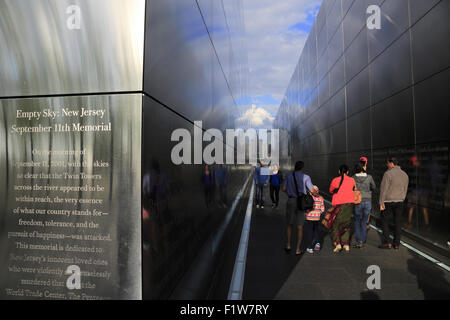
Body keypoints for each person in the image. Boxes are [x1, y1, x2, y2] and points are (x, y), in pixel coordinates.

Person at [281, 161, 315, 255]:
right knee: (300, 226)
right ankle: (297, 249)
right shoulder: (306, 177)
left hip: (291, 201)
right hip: (301, 203)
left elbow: (283, 189)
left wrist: (290, 192)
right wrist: (317, 195)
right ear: (302, 168)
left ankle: (288, 245)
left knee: (289, 224)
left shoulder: (288, 176)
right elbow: (312, 190)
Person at [379, 157, 409, 249]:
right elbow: (405, 188)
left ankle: (387, 242)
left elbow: (384, 189)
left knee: (385, 220)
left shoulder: (388, 174)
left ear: (391, 163)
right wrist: (402, 198)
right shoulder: (404, 174)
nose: (387, 165)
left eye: (387, 163)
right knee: (398, 222)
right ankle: (396, 244)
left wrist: (381, 202)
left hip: (388, 201)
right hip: (400, 200)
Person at [329, 164, 356, 253]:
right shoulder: (352, 180)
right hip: (349, 204)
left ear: (339, 171)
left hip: (338, 205)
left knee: (335, 224)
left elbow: (331, 191)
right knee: (347, 224)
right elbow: (354, 189)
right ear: (347, 172)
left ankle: (338, 244)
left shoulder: (335, 180)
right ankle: (346, 244)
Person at [352, 163, 377, 248]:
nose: (366, 167)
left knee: (357, 220)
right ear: (362, 168)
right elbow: (374, 187)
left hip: (358, 200)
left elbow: (351, 188)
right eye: (365, 166)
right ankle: (363, 239)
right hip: (367, 201)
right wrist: (368, 191)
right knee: (364, 221)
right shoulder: (369, 177)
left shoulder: (353, 177)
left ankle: (359, 240)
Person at [305, 185, 325, 253]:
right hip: (317, 217)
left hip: (310, 217)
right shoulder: (320, 199)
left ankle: (310, 247)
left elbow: (305, 208)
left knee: (310, 232)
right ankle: (317, 244)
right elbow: (322, 210)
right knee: (316, 230)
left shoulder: (309, 198)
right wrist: (318, 213)